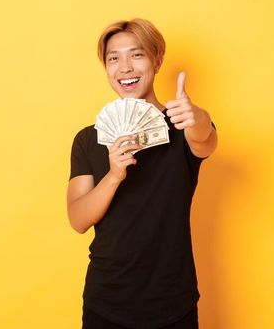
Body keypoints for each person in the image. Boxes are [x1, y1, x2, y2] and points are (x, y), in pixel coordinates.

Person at [66, 18, 218, 329]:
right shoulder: (87, 139)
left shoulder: (183, 128)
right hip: (106, 301)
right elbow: (78, 219)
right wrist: (114, 175)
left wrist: (198, 116)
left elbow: (206, 140)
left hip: (173, 302)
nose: (125, 68)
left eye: (136, 55)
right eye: (114, 58)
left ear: (157, 59)